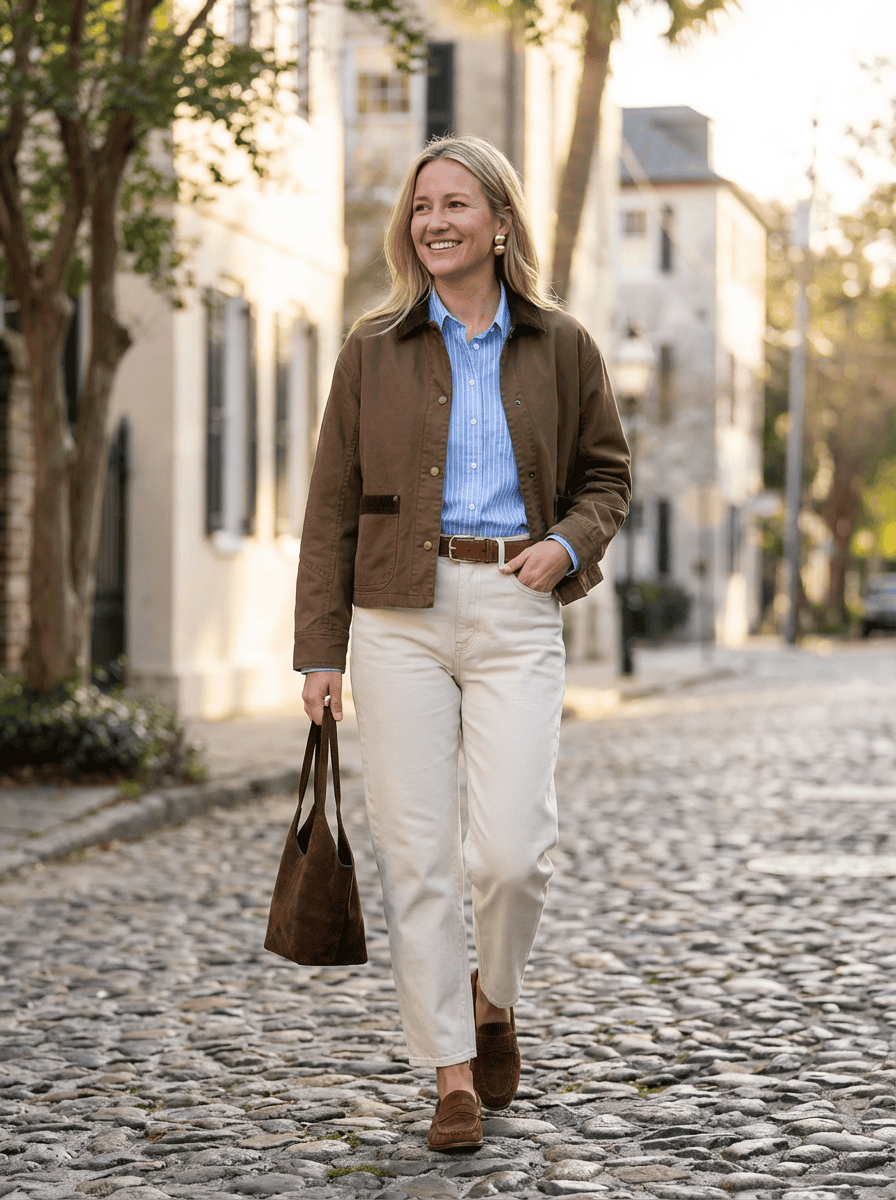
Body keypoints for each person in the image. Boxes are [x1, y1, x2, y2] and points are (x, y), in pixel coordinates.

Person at [295, 135, 631, 1152]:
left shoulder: (561, 343)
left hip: (513, 607)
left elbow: (606, 477)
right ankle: (450, 1073)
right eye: (421, 206)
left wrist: (564, 547)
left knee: (511, 854)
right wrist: (320, 654)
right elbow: (330, 509)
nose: (432, 221)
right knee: (417, 854)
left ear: (498, 222)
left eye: (454, 205)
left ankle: (494, 997)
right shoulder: (371, 348)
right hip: (396, 616)